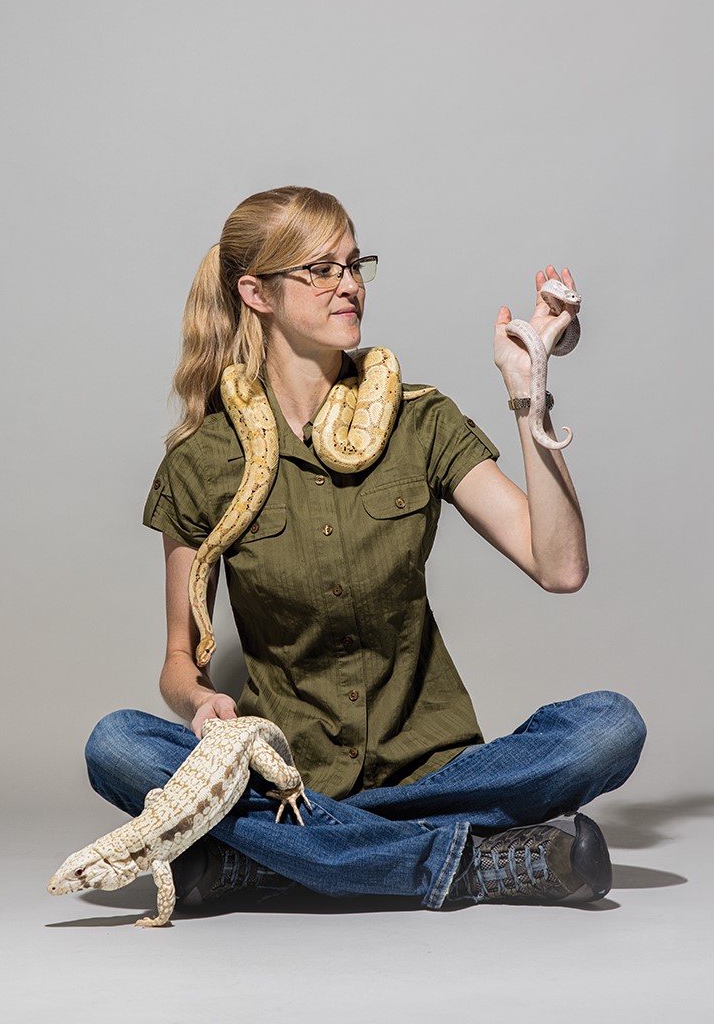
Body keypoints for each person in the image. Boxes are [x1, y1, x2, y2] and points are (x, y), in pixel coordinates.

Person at [85, 185, 645, 909]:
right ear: (256, 292)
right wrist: (198, 702)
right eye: (320, 270)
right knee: (116, 744)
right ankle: (470, 863)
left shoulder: (423, 422)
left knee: (608, 728)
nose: (349, 284)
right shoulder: (203, 461)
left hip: (439, 772)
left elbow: (560, 567)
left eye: (354, 264)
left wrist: (529, 390)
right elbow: (177, 660)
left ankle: (270, 860)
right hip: (287, 779)